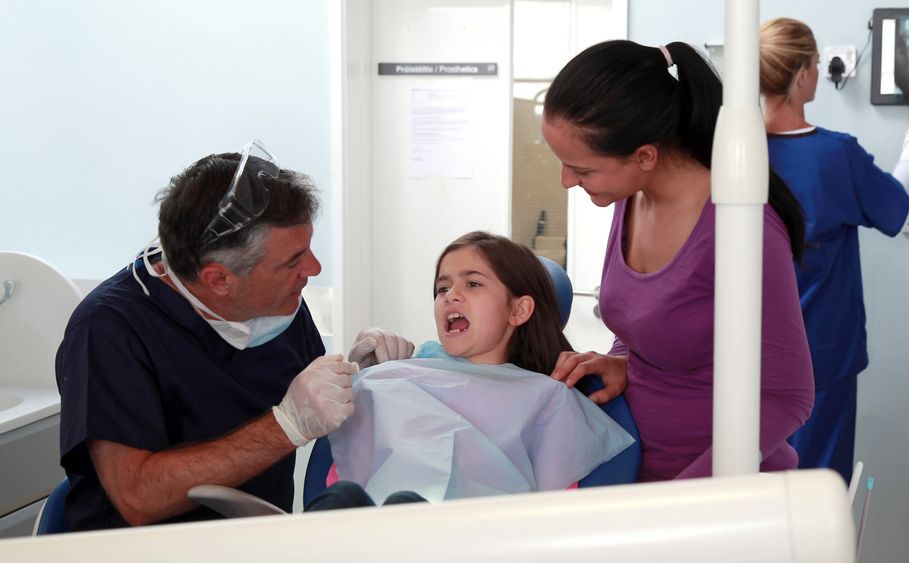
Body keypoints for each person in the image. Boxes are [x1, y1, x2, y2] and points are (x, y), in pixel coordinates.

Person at [55, 140, 412, 530]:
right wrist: (285, 427)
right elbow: (138, 497)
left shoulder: (280, 304)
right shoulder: (110, 330)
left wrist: (362, 379)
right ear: (219, 279)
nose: (314, 267)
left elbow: (312, 400)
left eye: (308, 249)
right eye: (293, 260)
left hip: (248, 544)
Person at [540, 40, 815, 481]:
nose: (566, 181)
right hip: (636, 473)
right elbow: (649, 323)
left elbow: (788, 396)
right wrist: (622, 362)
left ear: (645, 155)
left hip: (713, 495)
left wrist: (686, 499)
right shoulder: (631, 200)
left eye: (583, 170)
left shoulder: (742, 228)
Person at [759, 18, 909, 482]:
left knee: (752, 490)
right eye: (817, 64)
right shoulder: (833, 155)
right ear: (802, 75)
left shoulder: (729, 154)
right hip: (820, 359)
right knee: (816, 492)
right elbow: (894, 205)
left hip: (744, 359)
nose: (819, 73)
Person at [325, 231, 633, 503]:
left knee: (406, 505)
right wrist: (364, 378)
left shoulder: (549, 398)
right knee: (342, 497)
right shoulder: (405, 375)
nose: (451, 295)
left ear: (519, 309)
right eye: (442, 289)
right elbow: (348, 471)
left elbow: (555, 506)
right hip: (368, 532)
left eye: (472, 284)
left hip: (475, 540)